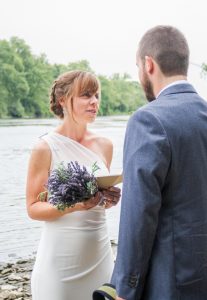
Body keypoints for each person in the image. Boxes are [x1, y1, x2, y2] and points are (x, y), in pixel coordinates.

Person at [111, 26, 207, 300]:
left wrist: (125, 287)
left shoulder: (148, 120)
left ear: (149, 64)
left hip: (166, 284)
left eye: (137, 67)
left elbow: (138, 214)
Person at [26, 70, 121, 300]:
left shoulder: (105, 145)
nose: (94, 101)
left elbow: (96, 199)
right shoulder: (45, 147)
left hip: (99, 254)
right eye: (86, 95)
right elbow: (33, 208)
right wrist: (75, 206)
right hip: (60, 262)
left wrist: (107, 199)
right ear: (63, 101)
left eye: (96, 95)